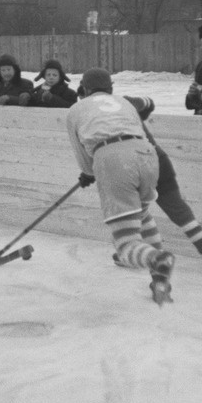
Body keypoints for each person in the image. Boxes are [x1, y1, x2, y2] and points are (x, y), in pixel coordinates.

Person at [66, 67, 175, 305]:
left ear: (83, 89)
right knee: (143, 213)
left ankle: (156, 258)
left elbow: (83, 156)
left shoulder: (76, 109)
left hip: (113, 159)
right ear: (111, 88)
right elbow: (146, 105)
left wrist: (87, 173)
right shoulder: (124, 102)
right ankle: (160, 280)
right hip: (147, 154)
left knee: (125, 245)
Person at [123, 95, 202, 273]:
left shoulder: (95, 119)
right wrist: (139, 103)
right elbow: (148, 103)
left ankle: (140, 254)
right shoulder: (123, 104)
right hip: (159, 160)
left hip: (135, 165)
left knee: (133, 214)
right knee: (178, 210)